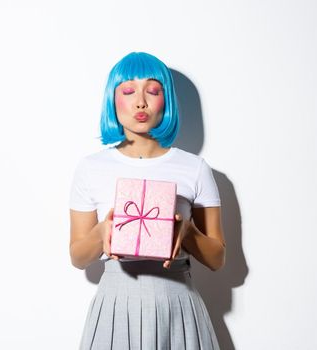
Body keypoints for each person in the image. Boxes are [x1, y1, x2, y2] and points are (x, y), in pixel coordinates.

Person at [69, 52, 226, 349]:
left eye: (153, 91)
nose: (141, 102)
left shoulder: (194, 168)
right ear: (112, 100)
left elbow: (217, 258)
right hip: (115, 303)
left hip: (178, 302)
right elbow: (77, 256)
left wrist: (187, 232)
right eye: (128, 91)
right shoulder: (91, 168)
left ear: (166, 101)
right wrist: (102, 232)